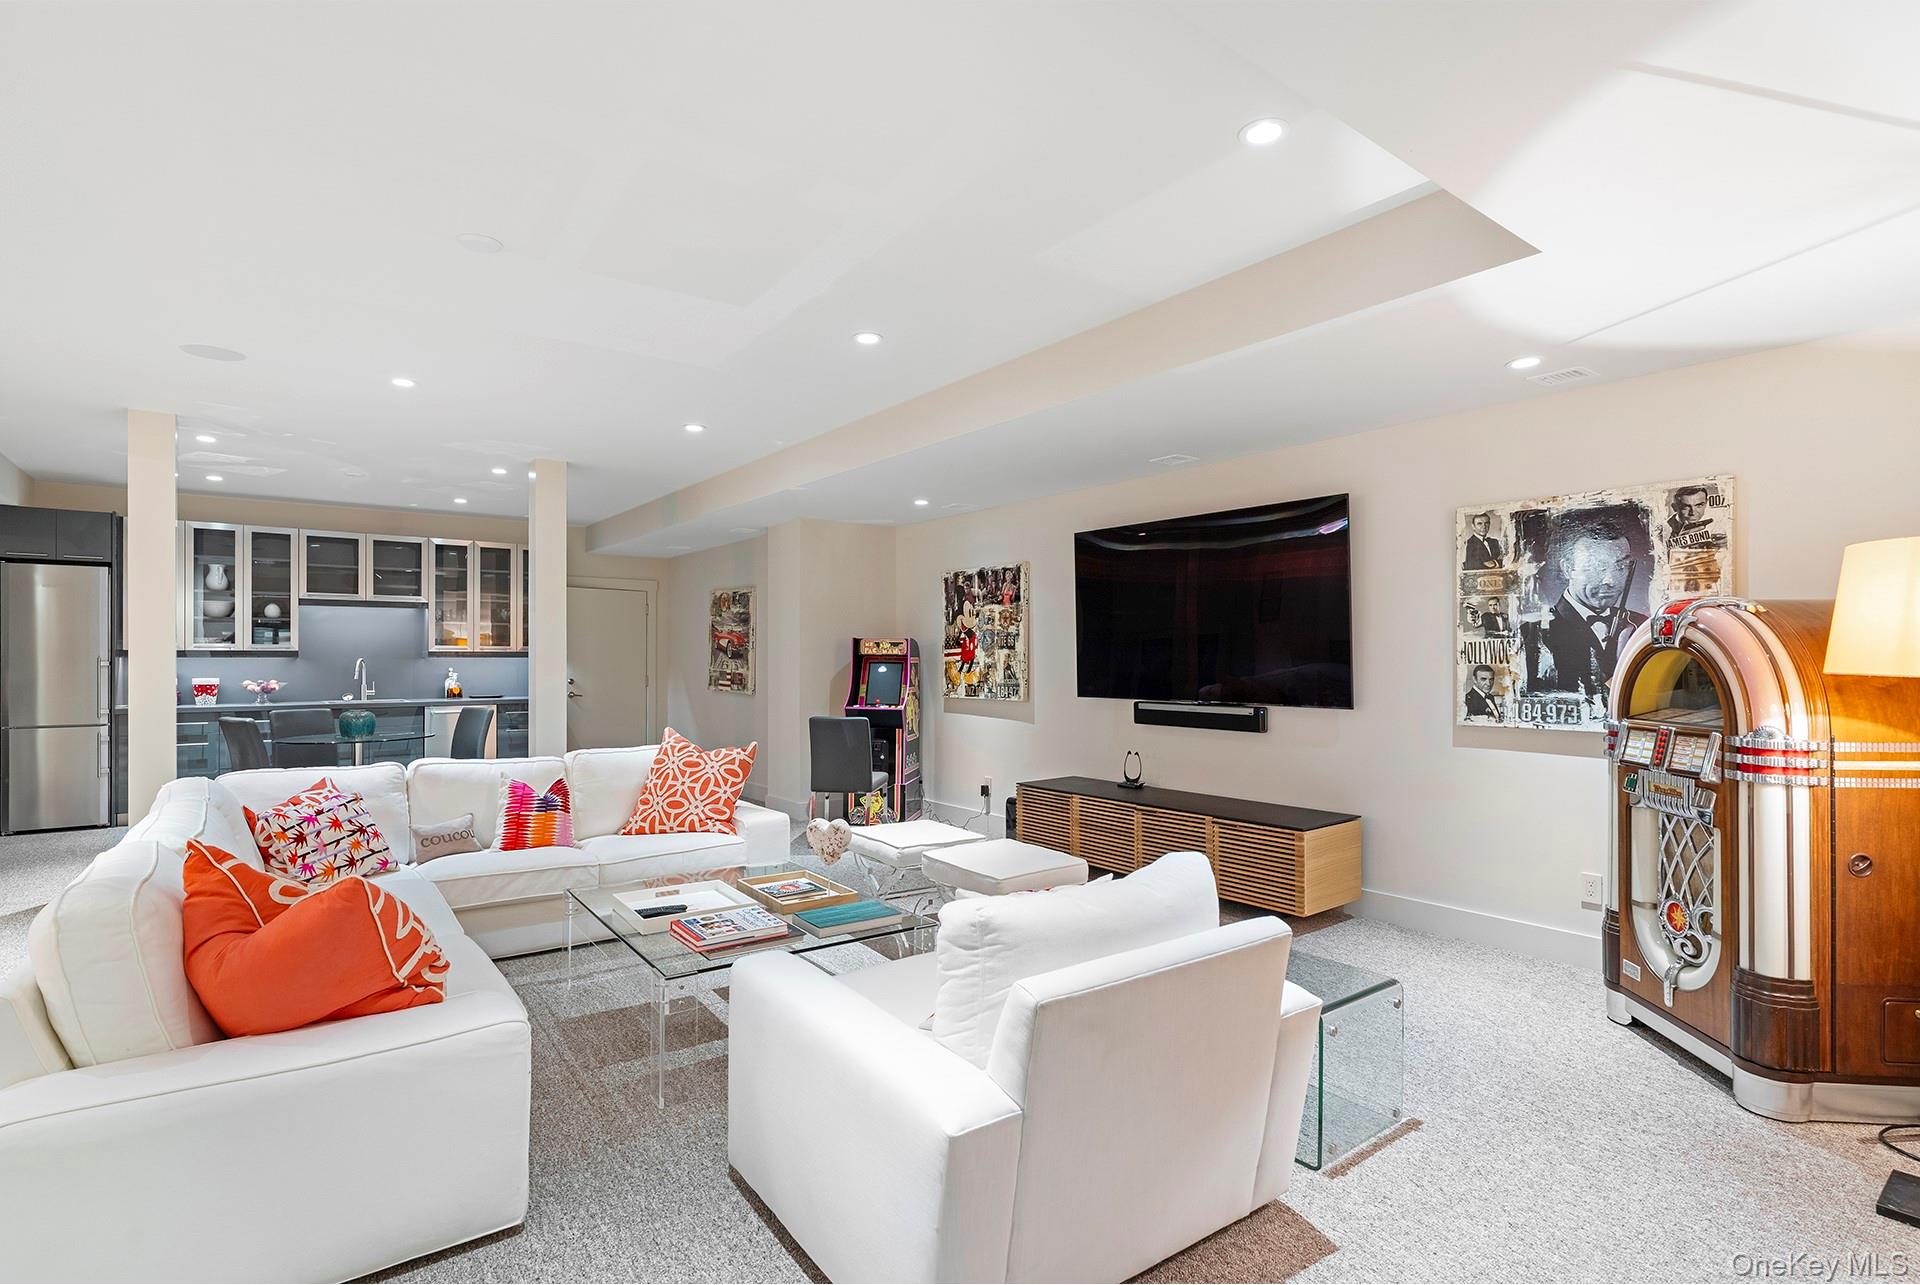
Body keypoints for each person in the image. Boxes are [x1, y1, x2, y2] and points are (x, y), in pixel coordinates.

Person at [1521, 529, 1648, 694]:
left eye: (1621, 566)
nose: (1610, 580)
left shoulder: (1642, 625)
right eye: (1597, 567)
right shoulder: (1532, 636)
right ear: (1568, 569)